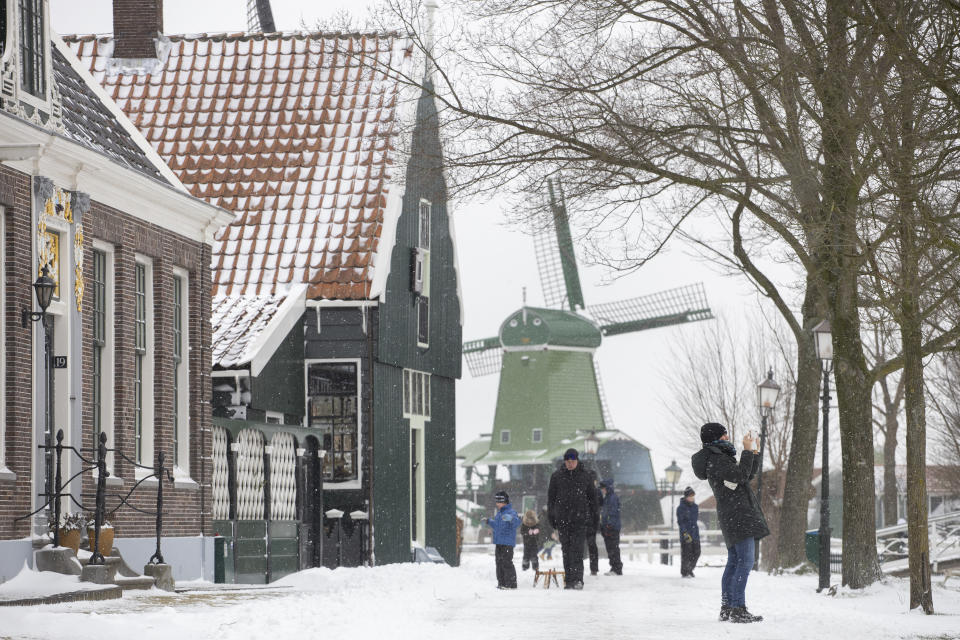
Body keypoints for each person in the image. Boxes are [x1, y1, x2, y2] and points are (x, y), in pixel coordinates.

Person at [692, 422, 769, 623]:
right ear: (715, 438)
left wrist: (754, 452)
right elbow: (740, 475)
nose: (727, 437)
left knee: (735, 562)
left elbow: (746, 476)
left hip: (734, 514)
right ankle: (737, 608)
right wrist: (746, 450)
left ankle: (728, 608)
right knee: (745, 561)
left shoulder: (719, 458)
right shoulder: (716, 459)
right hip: (738, 515)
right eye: (724, 435)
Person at [547, 448, 599, 590]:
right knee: (566, 550)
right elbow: (551, 499)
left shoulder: (586, 476)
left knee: (577, 550)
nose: (570, 463)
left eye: (573, 461)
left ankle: (578, 580)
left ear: (577, 460)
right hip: (563, 520)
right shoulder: (557, 477)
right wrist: (551, 517)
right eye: (568, 461)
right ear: (565, 461)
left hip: (579, 520)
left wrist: (594, 520)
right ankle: (569, 580)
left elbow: (593, 500)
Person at [482, 490, 520, 589]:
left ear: (504, 502)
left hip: (507, 543)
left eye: (498, 502)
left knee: (506, 562)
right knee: (499, 563)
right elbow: (497, 526)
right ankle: (501, 583)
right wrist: (489, 521)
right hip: (499, 542)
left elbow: (517, 523)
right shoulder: (499, 514)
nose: (497, 504)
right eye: (496, 501)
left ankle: (511, 584)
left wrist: (511, 518)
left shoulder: (511, 512)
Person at [599, 479, 623, 576]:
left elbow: (612, 513)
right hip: (609, 527)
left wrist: (609, 525)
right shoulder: (608, 498)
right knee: (611, 548)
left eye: (603, 488)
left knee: (613, 547)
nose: (602, 490)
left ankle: (617, 568)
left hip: (612, 528)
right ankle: (614, 567)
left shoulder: (612, 498)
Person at [677, 486, 701, 578]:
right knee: (687, 553)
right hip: (685, 534)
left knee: (697, 552)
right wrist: (685, 533)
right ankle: (685, 572)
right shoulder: (681, 508)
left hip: (695, 533)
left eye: (693, 496)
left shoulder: (695, 507)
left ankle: (690, 569)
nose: (692, 498)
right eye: (690, 496)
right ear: (686, 497)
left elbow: (694, 521)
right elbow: (681, 522)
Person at [585, 472, 601, 576]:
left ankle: (576, 567)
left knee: (579, 545)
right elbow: (596, 510)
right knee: (592, 546)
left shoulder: (584, 491)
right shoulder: (595, 492)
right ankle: (594, 568)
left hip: (584, 522)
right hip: (590, 523)